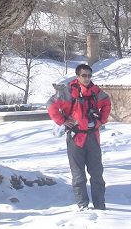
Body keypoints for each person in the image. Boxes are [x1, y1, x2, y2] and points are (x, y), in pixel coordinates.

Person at [47, 63, 111, 211]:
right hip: (75, 138)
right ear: (78, 76)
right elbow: (51, 104)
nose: (87, 78)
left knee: (97, 174)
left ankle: (100, 205)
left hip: (93, 137)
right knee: (78, 176)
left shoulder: (96, 91)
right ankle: (82, 205)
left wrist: (102, 120)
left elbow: (106, 103)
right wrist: (62, 121)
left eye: (89, 75)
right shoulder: (69, 91)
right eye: (84, 75)